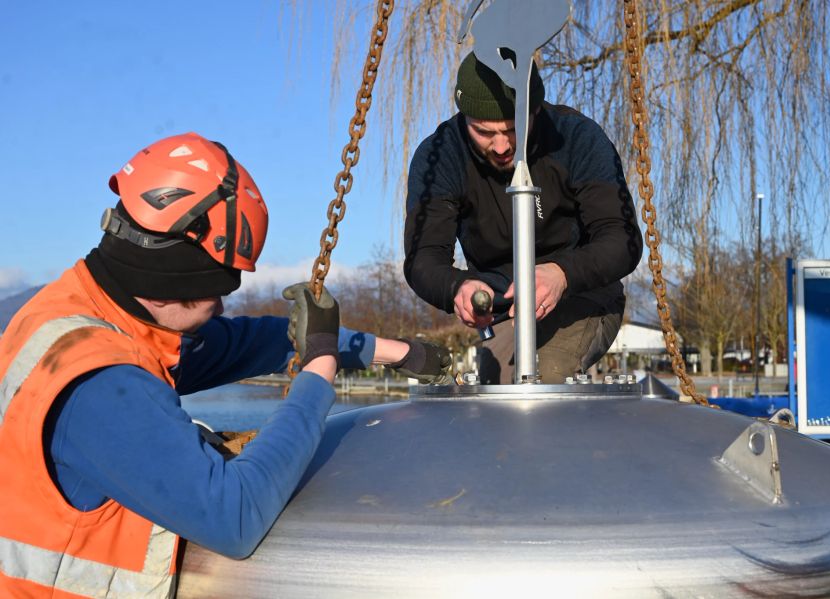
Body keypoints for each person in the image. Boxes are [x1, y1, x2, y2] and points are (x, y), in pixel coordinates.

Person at [0, 132, 450, 597]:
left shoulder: (84, 312)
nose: (220, 306)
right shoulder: (101, 382)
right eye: (219, 289)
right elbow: (234, 518)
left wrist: (397, 352)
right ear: (176, 275)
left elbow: (254, 341)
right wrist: (317, 379)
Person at [404, 52, 643, 384]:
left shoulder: (577, 139)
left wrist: (562, 273)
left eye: (513, 129)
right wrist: (457, 287)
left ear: (535, 110)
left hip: (581, 293)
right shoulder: (440, 156)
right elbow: (423, 258)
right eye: (484, 132)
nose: (502, 146)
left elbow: (622, 240)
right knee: (495, 395)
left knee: (546, 379)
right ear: (464, 116)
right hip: (503, 307)